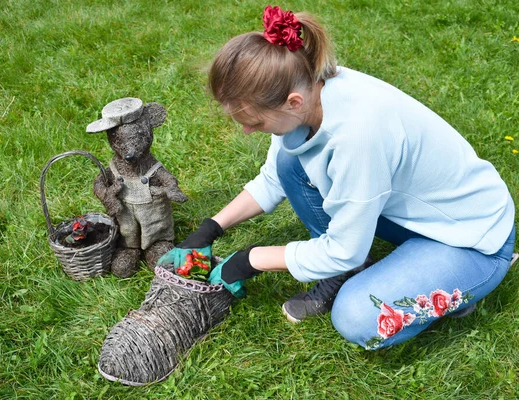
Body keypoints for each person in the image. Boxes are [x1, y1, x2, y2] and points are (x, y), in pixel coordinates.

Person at [169, 5, 517, 350]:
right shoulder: (306, 89)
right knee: (293, 165)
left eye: (255, 122)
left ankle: (460, 284)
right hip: (419, 215)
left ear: (292, 102)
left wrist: (250, 260)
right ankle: (366, 269)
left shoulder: (357, 136)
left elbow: (345, 249)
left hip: (472, 239)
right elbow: (276, 178)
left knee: (357, 317)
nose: (246, 131)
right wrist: (211, 227)